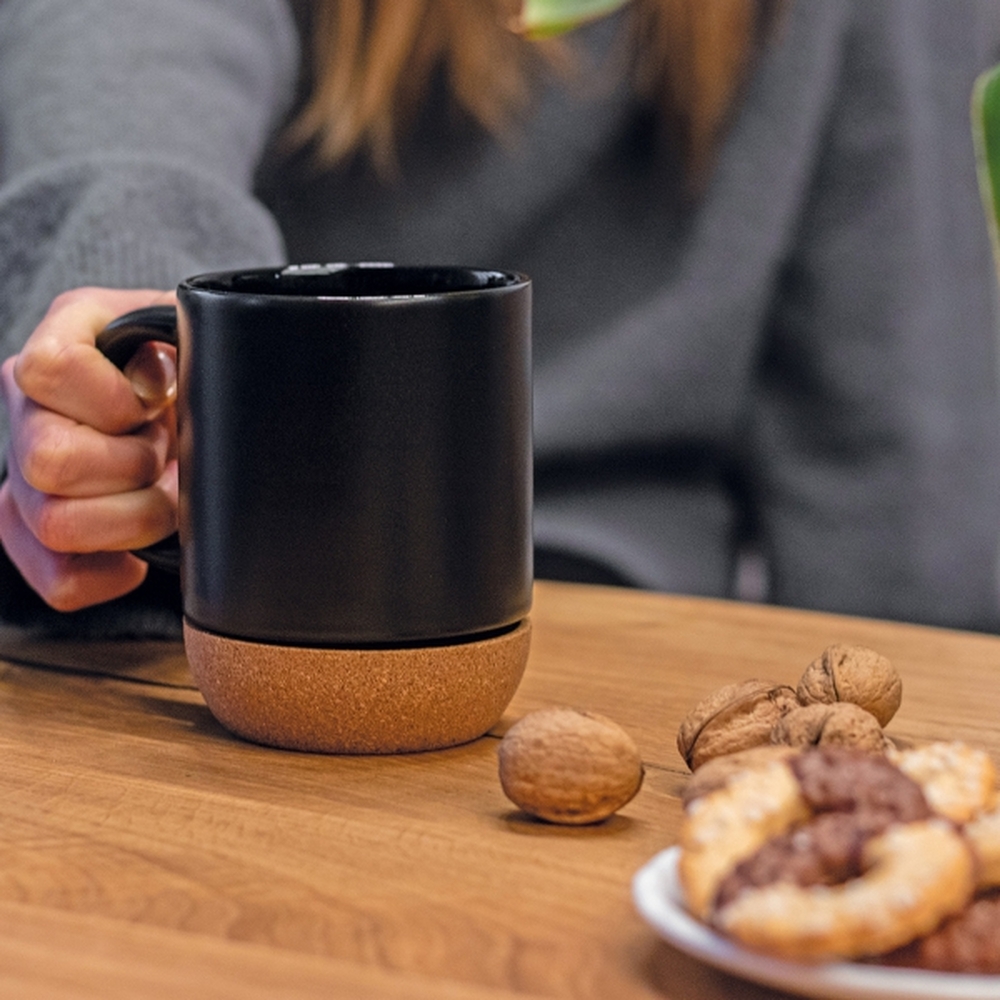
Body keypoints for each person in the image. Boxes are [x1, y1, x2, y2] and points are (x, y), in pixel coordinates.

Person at [1, 0, 999, 641]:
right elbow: (129, 67)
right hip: (210, 599)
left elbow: (899, 426)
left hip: (620, 624)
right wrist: (126, 362)